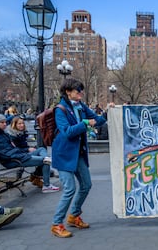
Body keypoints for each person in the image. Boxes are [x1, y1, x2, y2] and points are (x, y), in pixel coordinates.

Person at [50, 78, 108, 238]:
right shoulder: (60, 109)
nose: (81, 93)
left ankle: (74, 215)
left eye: (81, 90)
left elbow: (98, 121)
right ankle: (56, 224)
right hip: (64, 154)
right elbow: (67, 131)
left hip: (78, 153)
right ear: (68, 92)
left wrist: (107, 111)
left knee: (86, 185)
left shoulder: (80, 106)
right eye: (78, 91)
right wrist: (85, 123)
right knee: (69, 189)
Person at [0, 114, 59, 193]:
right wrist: (22, 154)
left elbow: (11, 150)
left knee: (43, 152)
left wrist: (23, 152)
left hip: (18, 156)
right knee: (46, 161)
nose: (5, 124)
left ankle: (42, 172)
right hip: (12, 160)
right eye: (2, 122)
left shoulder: (2, 134)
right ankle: (46, 185)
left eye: (5, 122)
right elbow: (5, 153)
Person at [6, 116, 44, 188]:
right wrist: (27, 149)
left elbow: (24, 145)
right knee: (43, 159)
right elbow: (15, 150)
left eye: (23, 123)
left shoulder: (22, 133)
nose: (22, 125)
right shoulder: (12, 136)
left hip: (23, 153)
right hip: (18, 157)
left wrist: (30, 148)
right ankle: (36, 177)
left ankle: (36, 176)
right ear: (14, 125)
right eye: (19, 124)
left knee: (41, 152)